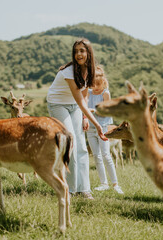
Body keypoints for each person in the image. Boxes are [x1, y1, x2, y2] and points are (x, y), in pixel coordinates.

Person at [47, 38, 108, 200]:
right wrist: (98, 125)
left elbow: (85, 96)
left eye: (82, 51)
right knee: (71, 142)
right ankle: (71, 189)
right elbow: (81, 101)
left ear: (89, 52)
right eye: (76, 51)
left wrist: (84, 118)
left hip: (75, 106)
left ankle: (84, 189)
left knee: (81, 145)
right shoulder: (68, 72)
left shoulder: (91, 70)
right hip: (58, 104)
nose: (78, 54)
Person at [86, 66, 124, 194]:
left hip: (102, 127)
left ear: (103, 82)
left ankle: (115, 184)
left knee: (106, 155)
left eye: (98, 84)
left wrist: (93, 111)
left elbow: (107, 111)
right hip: (90, 128)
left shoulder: (105, 93)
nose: (95, 87)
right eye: (93, 84)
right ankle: (104, 184)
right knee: (96, 156)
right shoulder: (89, 93)